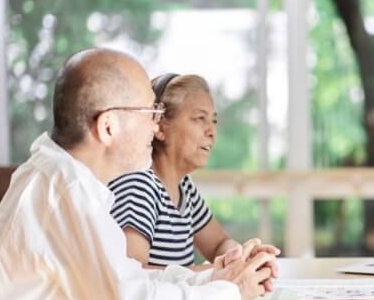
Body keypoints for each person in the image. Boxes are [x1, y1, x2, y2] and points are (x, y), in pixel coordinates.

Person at [0, 49, 276, 300]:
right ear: (108, 125)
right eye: (150, 113)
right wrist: (230, 293)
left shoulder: (61, 178)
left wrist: (212, 278)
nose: (156, 125)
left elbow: (126, 278)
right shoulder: (66, 190)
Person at [108, 73, 280, 273]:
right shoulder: (138, 185)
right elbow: (133, 276)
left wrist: (240, 258)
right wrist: (215, 274)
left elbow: (218, 244)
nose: (212, 131)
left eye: (213, 121)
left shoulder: (184, 186)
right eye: (200, 118)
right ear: (160, 126)